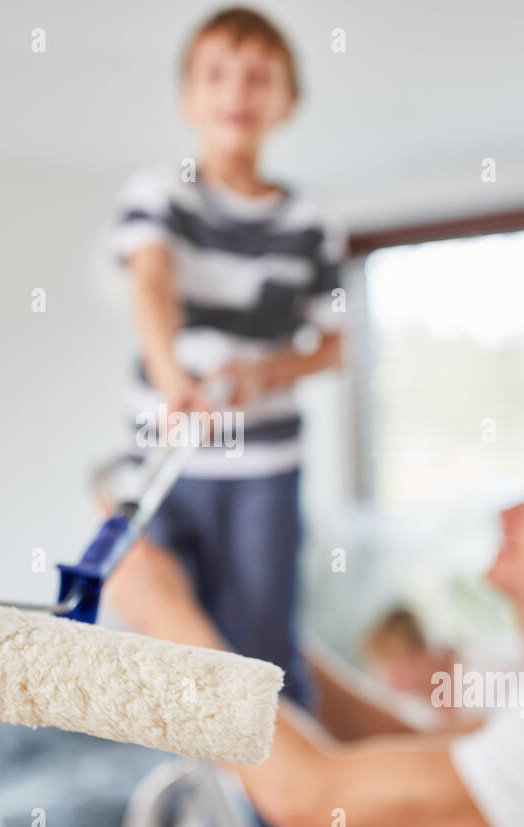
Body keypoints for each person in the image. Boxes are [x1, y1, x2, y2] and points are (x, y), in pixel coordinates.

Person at [106, 423, 524, 827]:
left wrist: (169, 617)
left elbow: (305, 803)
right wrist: (253, 626)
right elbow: (401, 740)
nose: (509, 513)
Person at [112, 7, 347, 710]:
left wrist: (264, 374)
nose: (237, 93)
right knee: (176, 647)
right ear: (189, 99)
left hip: (264, 472)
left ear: (288, 101)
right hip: (164, 453)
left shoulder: (312, 223)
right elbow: (150, 280)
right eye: (217, 75)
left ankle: (285, 818)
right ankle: (201, 808)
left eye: (258, 77)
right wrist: (170, 375)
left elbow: (333, 345)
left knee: (264, 650)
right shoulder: (161, 194)